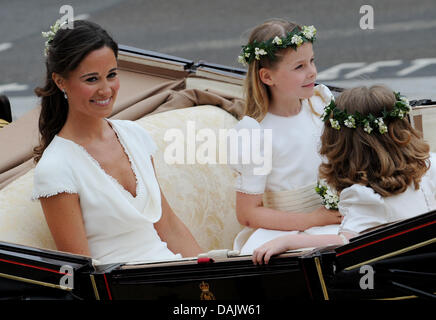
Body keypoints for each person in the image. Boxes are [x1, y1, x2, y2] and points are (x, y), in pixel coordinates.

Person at [32, 20, 202, 264]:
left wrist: (209, 277)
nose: (106, 90)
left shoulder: (135, 135)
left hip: (170, 272)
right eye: (91, 79)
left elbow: (169, 226)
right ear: (60, 81)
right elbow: (82, 269)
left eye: (111, 75)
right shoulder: (55, 168)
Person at [252, 85, 436, 264]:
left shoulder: (364, 196)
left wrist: (289, 242)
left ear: (340, 145)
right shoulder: (431, 164)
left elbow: (346, 243)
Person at [230, 19, 342, 255]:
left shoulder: (320, 105)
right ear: (268, 77)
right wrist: (312, 220)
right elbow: (248, 214)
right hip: (287, 230)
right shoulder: (256, 134)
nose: (312, 71)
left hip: (334, 216)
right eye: (299, 67)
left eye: (312, 61)